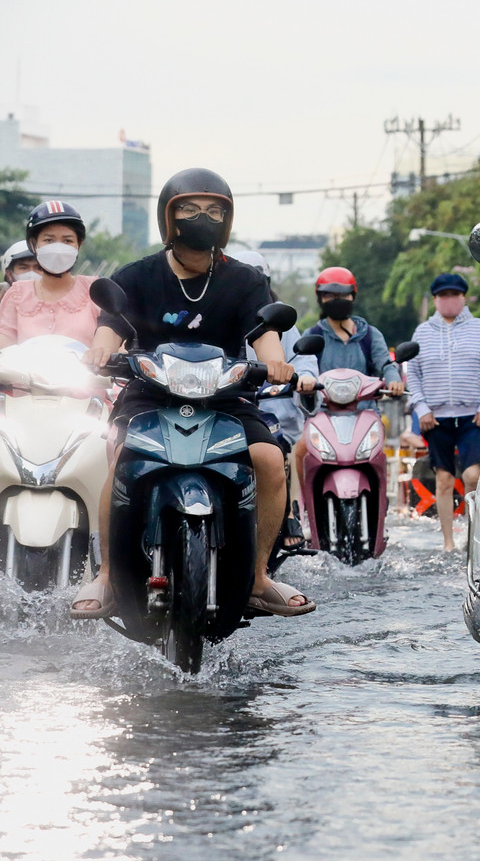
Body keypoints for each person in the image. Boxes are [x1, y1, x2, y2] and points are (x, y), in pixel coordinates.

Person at [71, 167, 314, 619]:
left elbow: (264, 332)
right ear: (169, 218)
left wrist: (277, 361)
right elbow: (111, 327)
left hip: (225, 394)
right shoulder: (137, 275)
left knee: (269, 461)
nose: (203, 217)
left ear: (228, 219)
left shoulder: (244, 280)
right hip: (149, 391)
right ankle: (105, 576)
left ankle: (259, 578)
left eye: (214, 210)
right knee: (118, 452)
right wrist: (99, 352)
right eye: (189, 209)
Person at [227, 248, 320, 551]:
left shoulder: (282, 322)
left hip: (273, 410)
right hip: (224, 406)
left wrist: (304, 378)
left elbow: (301, 359)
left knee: (278, 453)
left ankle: (290, 510)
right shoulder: (220, 313)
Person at [406, 273, 480, 552]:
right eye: (443, 296)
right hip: (436, 418)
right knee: (444, 479)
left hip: (472, 417)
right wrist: (421, 409)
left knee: (473, 474)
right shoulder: (422, 332)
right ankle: (448, 542)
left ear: (463, 298)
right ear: (435, 300)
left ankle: (474, 535)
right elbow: (413, 373)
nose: (449, 300)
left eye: (454, 295)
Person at [291, 266, 404, 487]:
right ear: (320, 298)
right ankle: (303, 504)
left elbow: (386, 363)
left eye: (343, 295)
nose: (337, 299)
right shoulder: (313, 336)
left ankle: (378, 499)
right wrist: (304, 379)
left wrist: (394, 379)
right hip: (322, 415)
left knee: (378, 456)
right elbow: (303, 364)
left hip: (364, 414)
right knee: (301, 449)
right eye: (330, 295)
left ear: (353, 296)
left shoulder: (370, 335)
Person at [0, 201, 101, 347]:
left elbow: (113, 342)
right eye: (49, 240)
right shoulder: (16, 295)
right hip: (25, 370)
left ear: (79, 245)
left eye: (67, 240)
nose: (58, 248)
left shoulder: (96, 291)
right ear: (33, 244)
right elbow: (4, 347)